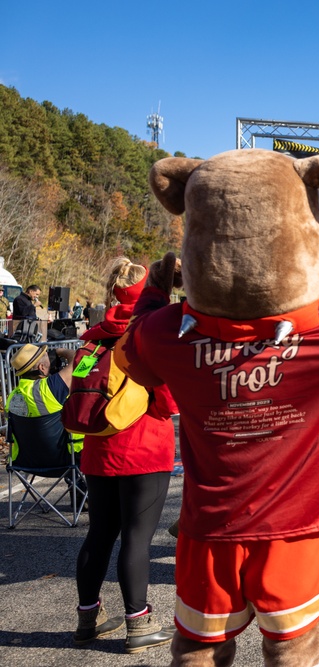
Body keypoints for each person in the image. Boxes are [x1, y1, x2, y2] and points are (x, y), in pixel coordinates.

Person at [72, 258, 177, 654]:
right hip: (143, 450)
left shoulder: (93, 336)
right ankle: (138, 623)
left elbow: (81, 388)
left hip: (98, 449)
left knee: (99, 534)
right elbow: (166, 402)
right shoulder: (149, 333)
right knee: (137, 538)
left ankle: (88, 617)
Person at [6, 341, 77, 462]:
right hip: (65, 460)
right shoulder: (50, 387)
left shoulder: (13, 396)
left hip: (26, 462)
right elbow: (80, 360)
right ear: (41, 367)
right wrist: (60, 351)